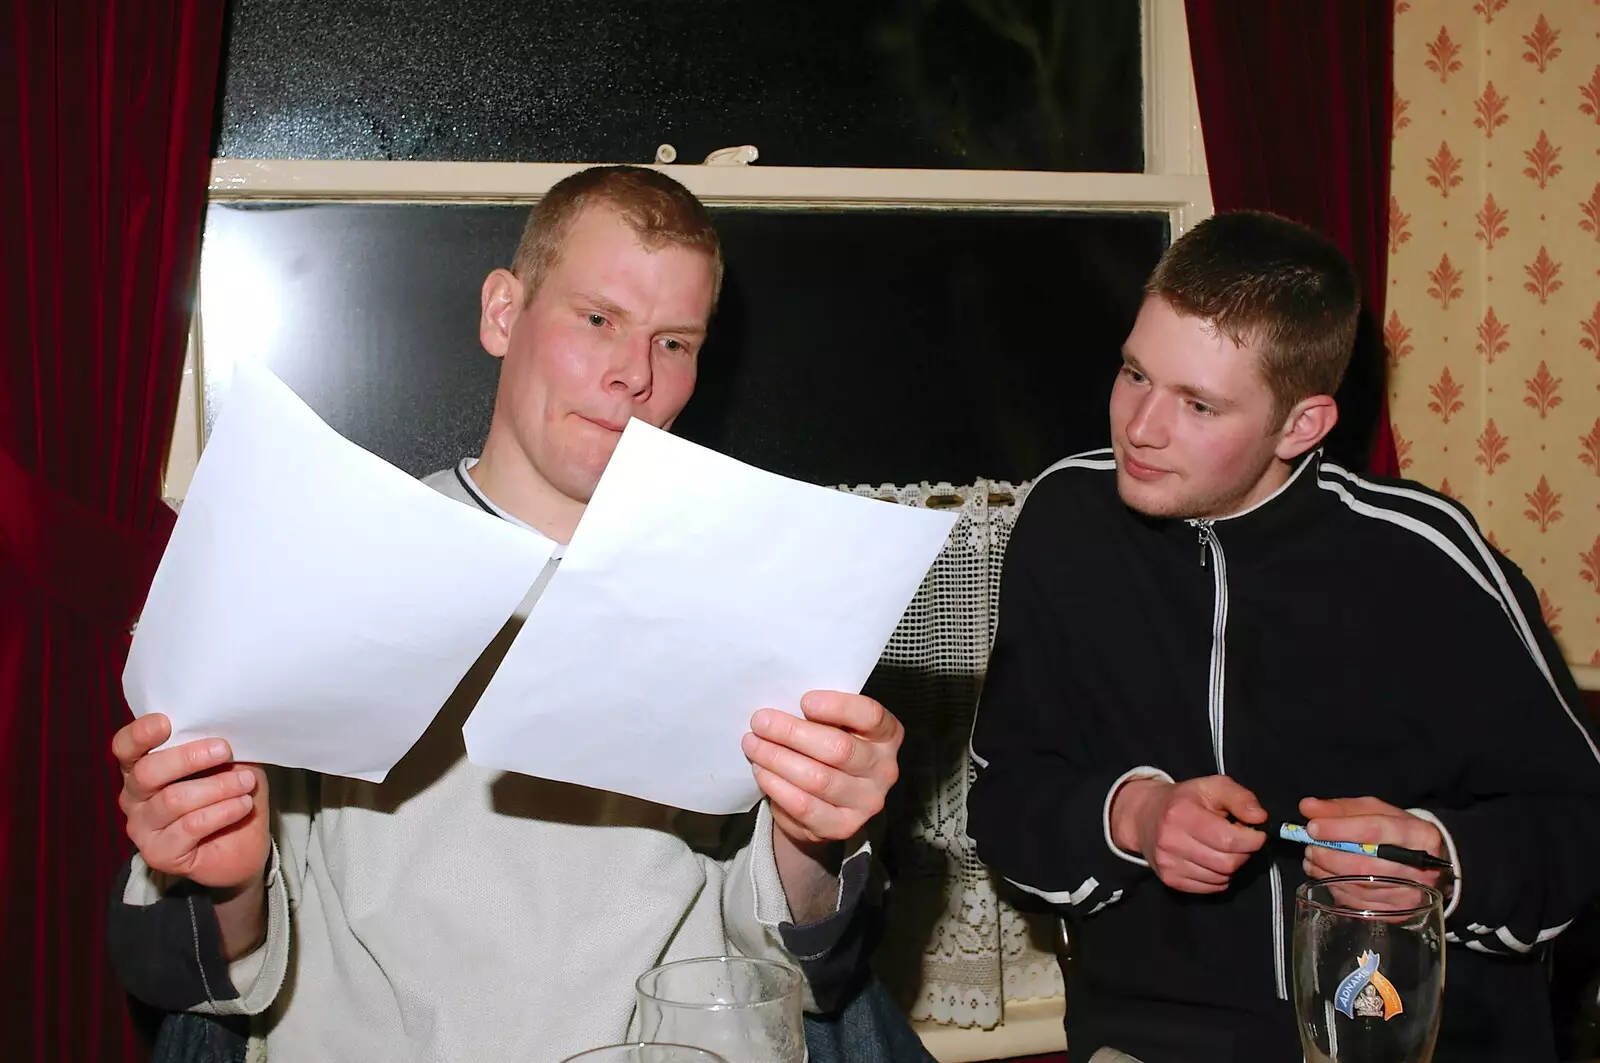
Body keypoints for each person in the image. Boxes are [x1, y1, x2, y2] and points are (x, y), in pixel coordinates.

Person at [109, 165, 905, 1061]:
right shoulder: (339, 555)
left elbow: (810, 973)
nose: (633, 376)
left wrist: (811, 832)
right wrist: (225, 877)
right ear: (502, 313)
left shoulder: (750, 585)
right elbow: (181, 971)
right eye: (598, 319)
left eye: (674, 343)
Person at [966, 210, 1600, 1063]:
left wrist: (1442, 861)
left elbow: (1578, 825)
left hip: (1425, 1039)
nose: (1140, 427)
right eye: (1132, 372)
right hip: (1157, 1037)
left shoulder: (1427, 558)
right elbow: (1007, 798)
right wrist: (1134, 814)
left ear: (1301, 426)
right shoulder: (1064, 523)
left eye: (1197, 403)